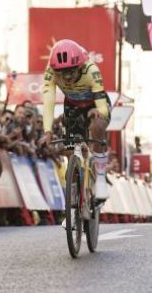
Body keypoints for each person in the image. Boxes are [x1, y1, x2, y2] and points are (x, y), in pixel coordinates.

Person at [38, 39, 110, 201]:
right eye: (62, 72)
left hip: (95, 104)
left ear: (80, 66)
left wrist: (98, 110)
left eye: (71, 70)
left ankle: (100, 178)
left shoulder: (91, 70)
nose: (68, 76)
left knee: (97, 127)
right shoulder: (50, 72)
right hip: (73, 106)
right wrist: (48, 131)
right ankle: (74, 203)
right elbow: (48, 103)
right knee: (71, 150)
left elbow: (102, 103)